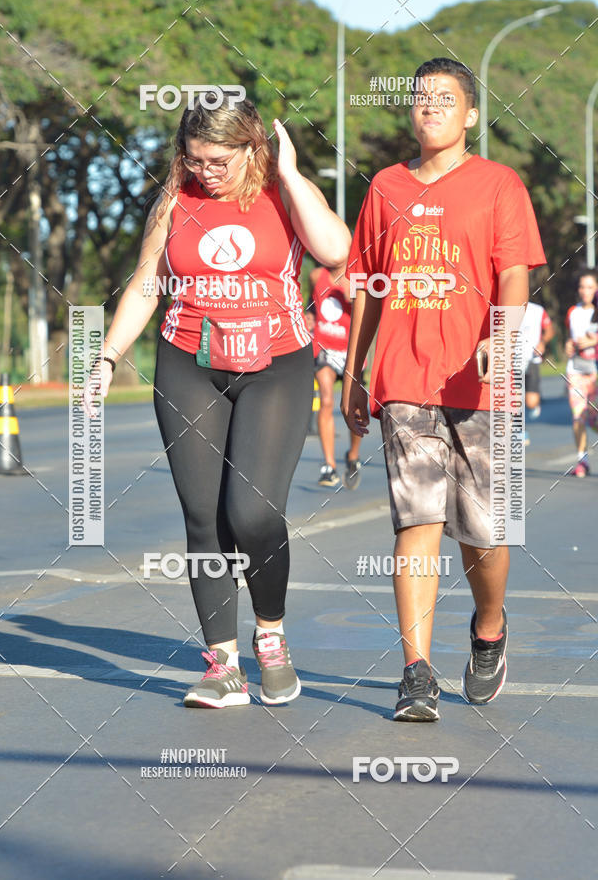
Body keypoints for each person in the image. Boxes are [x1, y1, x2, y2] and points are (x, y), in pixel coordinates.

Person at [85, 94, 351, 708]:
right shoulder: (175, 199)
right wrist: (104, 358)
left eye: (217, 160)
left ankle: (272, 636)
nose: (203, 171)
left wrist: (288, 171)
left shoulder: (283, 192)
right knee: (203, 518)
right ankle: (221, 666)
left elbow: (335, 251)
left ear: (253, 146)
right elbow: (147, 283)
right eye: (193, 158)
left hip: (275, 364)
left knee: (252, 514)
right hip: (187, 364)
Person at [341, 57, 546, 722]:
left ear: (472, 115)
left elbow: (514, 274)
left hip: (482, 384)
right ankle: (417, 672)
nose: (430, 107)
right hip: (405, 378)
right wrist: (354, 372)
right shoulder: (385, 188)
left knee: (483, 538)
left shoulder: (498, 184)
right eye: (421, 97)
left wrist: (502, 334)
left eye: (445, 98)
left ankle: (490, 628)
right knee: (418, 522)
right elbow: (369, 288)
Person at [309, 264, 363, 488]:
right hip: (324, 347)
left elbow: (368, 311)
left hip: (350, 349)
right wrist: (308, 315)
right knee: (327, 400)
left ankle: (353, 455)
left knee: (355, 408)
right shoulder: (316, 276)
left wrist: (354, 297)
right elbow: (311, 305)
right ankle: (329, 465)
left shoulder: (357, 279)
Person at [564, 270, 598, 477]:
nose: (585, 291)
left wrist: (595, 341)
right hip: (575, 370)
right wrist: (569, 346)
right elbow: (570, 338)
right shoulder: (572, 312)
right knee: (578, 416)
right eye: (582, 287)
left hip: (595, 372)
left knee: (593, 419)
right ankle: (582, 460)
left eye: (590, 287)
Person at [520, 300, 554, 444]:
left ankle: (535, 404)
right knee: (514, 400)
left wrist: (543, 343)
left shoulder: (538, 310)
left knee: (531, 402)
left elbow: (550, 330)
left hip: (531, 360)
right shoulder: (505, 307)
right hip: (511, 360)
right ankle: (520, 431)